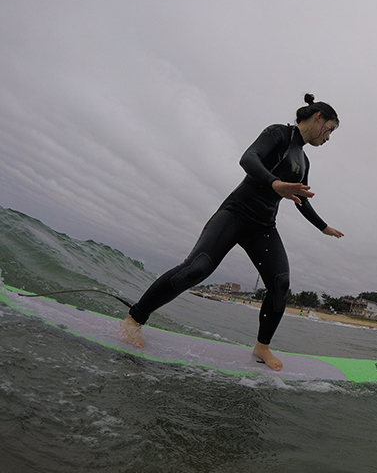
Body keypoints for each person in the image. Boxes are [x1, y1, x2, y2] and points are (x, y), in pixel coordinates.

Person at [119, 93, 344, 371]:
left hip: (263, 226)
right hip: (235, 213)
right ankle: (134, 320)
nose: (328, 137)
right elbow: (248, 158)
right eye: (329, 129)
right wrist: (275, 183)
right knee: (196, 269)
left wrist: (323, 227)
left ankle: (262, 347)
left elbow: (302, 199)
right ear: (318, 117)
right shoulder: (278, 133)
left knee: (280, 283)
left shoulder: (304, 161)